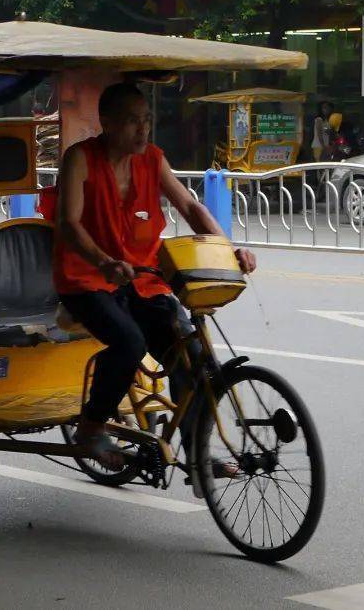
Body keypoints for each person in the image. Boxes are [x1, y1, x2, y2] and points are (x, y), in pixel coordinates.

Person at [54, 82, 257, 470]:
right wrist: (103, 261)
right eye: (132, 121)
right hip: (86, 279)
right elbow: (68, 225)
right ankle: (91, 427)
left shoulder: (152, 159)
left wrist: (227, 249)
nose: (142, 130)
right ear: (107, 122)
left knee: (190, 351)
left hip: (142, 278)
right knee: (129, 343)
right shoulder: (80, 158)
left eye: (146, 120)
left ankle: (197, 453)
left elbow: (189, 206)